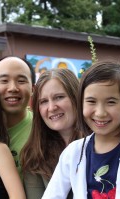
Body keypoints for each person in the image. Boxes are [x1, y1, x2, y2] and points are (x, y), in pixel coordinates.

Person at [42, 60, 120, 199]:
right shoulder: (72, 153)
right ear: (81, 103)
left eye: (111, 102)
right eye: (91, 101)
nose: (100, 112)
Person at [20, 68, 83, 199]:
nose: (52, 107)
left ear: (76, 97)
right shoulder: (35, 157)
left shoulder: (103, 143)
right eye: (43, 101)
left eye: (59, 97)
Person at [0, 56, 35, 177]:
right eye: (4, 80)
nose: (13, 88)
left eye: (21, 81)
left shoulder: (44, 128)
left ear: (33, 89)